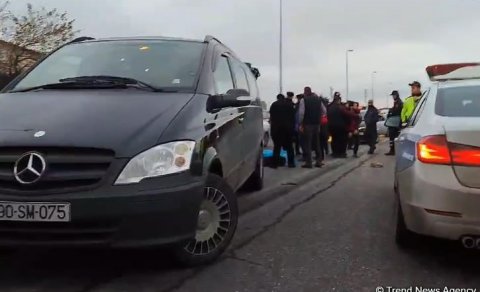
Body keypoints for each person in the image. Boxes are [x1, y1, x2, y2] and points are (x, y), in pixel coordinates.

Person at [298, 87, 325, 168]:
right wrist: (319, 117)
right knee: (317, 143)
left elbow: (301, 113)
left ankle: (309, 163)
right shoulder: (318, 100)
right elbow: (324, 111)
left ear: (305, 92)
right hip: (317, 124)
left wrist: (300, 123)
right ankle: (318, 161)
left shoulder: (304, 100)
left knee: (307, 143)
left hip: (307, 124)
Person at [269, 93, 296, 168]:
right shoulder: (289, 105)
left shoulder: (274, 104)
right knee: (290, 147)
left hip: (277, 129)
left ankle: (275, 164)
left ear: (277, 98)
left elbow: (271, 117)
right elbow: (293, 117)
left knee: (277, 147)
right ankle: (291, 163)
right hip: (288, 129)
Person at [327, 92, 349, 158]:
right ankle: (342, 153)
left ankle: (335, 152)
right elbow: (346, 116)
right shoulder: (342, 107)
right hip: (341, 126)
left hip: (331, 127)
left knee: (334, 140)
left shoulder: (329, 107)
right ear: (339, 99)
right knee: (342, 140)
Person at [385, 90, 403, 156]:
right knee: (392, 138)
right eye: (392, 95)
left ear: (396, 95)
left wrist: (391, 113)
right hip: (395, 123)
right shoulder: (396, 102)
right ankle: (392, 150)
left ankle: (393, 150)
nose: (393, 97)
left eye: (394, 95)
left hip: (396, 123)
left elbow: (396, 112)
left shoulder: (399, 102)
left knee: (393, 138)